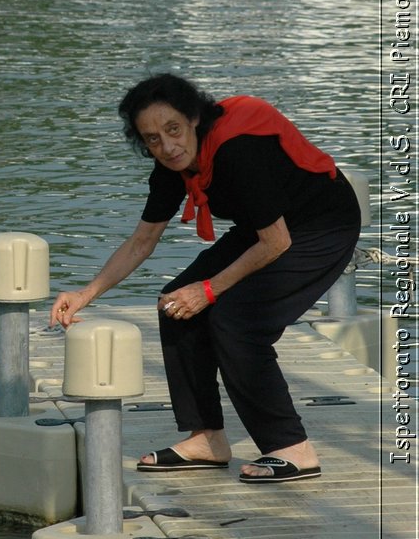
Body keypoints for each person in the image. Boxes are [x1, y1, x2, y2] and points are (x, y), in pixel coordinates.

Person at [49, 73, 361, 483]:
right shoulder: (171, 166)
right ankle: (207, 439)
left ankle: (292, 448)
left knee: (237, 321)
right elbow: (143, 242)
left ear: (194, 118)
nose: (167, 145)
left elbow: (276, 242)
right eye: (152, 138)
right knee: (175, 303)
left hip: (322, 226)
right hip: (268, 227)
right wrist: (85, 293)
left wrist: (211, 288)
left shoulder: (238, 151)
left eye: (172, 129)